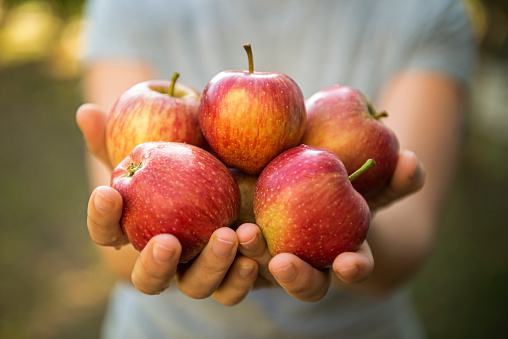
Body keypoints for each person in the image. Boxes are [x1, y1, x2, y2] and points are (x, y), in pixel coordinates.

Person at [76, 0, 477, 338]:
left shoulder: (427, 10)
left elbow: (406, 249)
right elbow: (119, 250)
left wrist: (337, 226)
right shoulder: (127, 6)